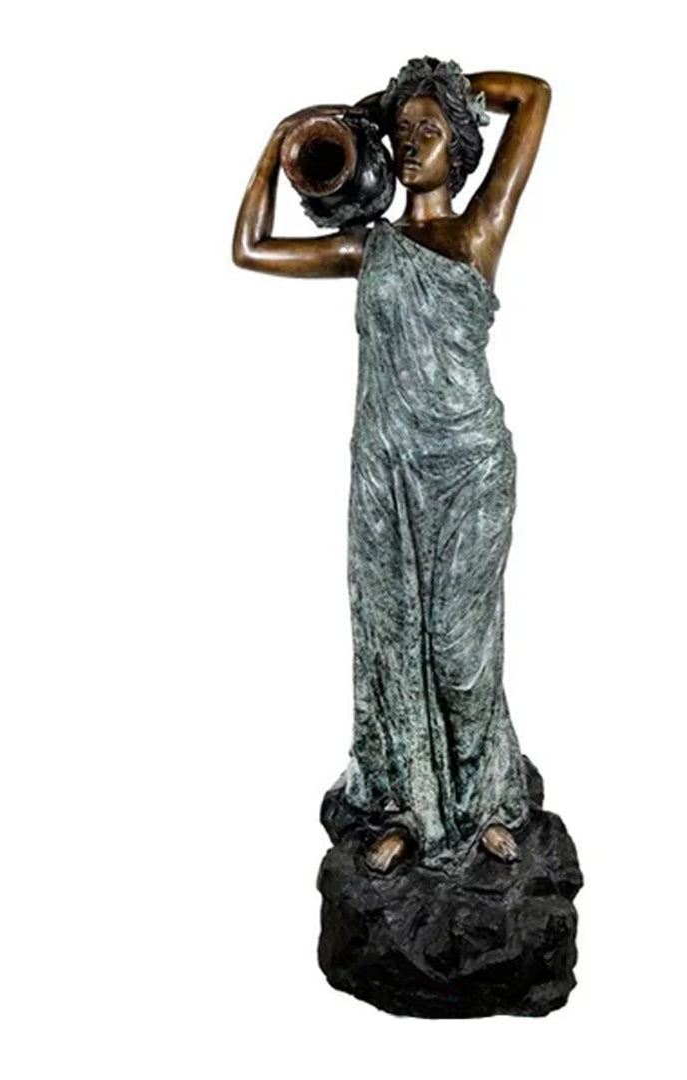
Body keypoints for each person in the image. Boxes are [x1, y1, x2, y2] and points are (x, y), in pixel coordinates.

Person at [233, 58, 551, 873]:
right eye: (401, 132)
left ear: (460, 145)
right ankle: (409, 807)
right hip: (384, 470)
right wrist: (279, 143)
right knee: (391, 639)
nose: (409, 144)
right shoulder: (370, 247)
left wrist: (391, 97)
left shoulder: (478, 231)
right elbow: (250, 247)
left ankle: (486, 801)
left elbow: (532, 96)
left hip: (468, 465)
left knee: (459, 648)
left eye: (428, 131)